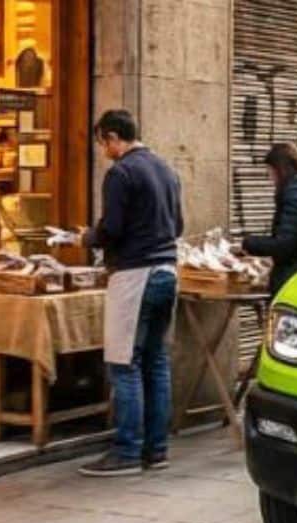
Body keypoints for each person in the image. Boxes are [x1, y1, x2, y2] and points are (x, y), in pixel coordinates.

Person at [78, 110, 183, 476]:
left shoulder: (121, 173)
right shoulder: (166, 169)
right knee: (156, 361)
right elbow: (178, 225)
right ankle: (156, 450)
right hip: (167, 270)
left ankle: (127, 451)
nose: (104, 152)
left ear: (112, 137)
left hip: (136, 274)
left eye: (103, 143)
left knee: (124, 364)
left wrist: (86, 237)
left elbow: (112, 229)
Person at [241, 143, 297, 296]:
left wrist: (248, 244)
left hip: (295, 276)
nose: (271, 179)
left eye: (270, 172)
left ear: (280, 170)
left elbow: (285, 244)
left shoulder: (296, 196)